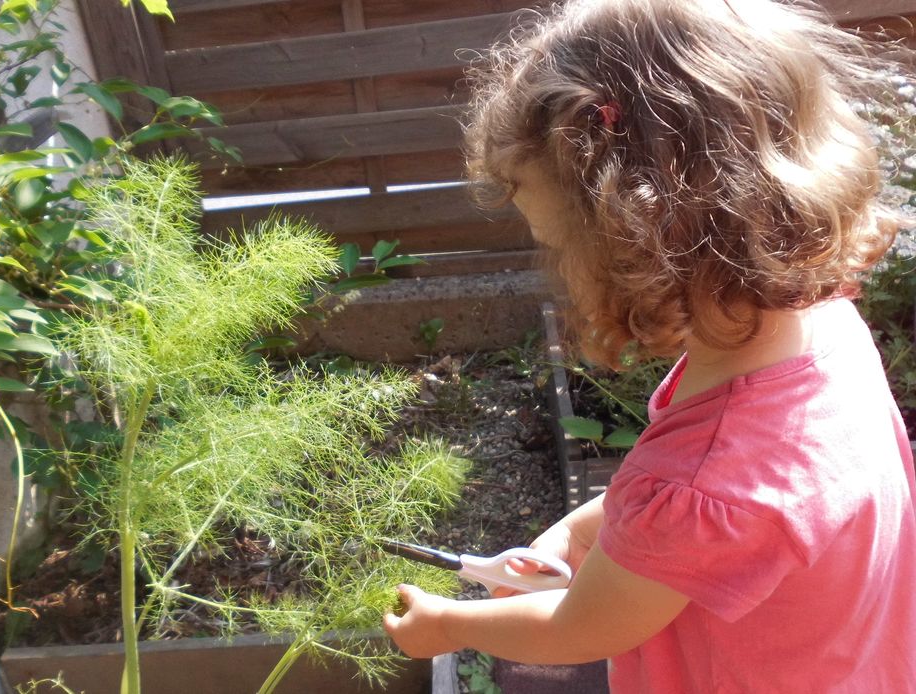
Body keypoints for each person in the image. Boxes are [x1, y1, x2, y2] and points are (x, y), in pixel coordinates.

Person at [381, 0, 916, 691]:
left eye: (559, 247)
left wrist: (450, 624)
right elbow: (679, 519)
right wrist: (581, 533)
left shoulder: (699, 479)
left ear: (644, 243)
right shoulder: (824, 331)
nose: (558, 273)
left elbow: (580, 626)